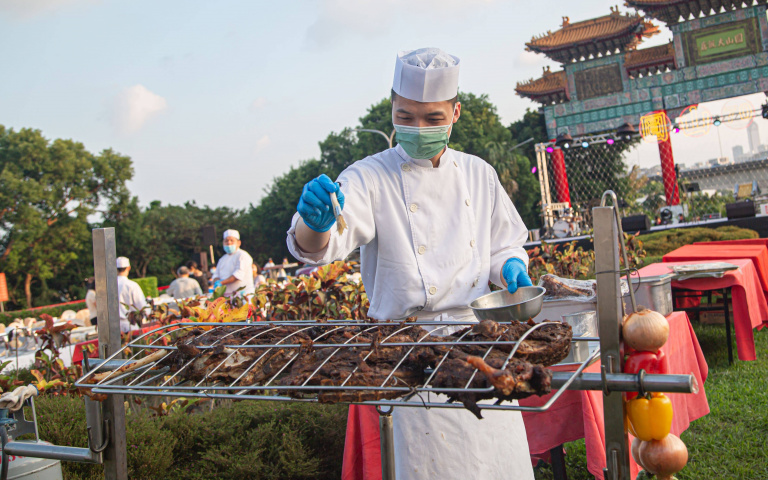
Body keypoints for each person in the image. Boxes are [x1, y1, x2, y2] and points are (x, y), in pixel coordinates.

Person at [287, 48, 534, 480]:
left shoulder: (479, 174)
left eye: (433, 119)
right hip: (407, 354)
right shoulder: (368, 176)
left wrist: (511, 266)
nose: (418, 128)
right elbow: (317, 247)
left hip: (479, 344)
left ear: (455, 112)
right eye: (407, 116)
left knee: (499, 465)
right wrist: (314, 222)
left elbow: (504, 244)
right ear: (392, 109)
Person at [212, 230, 255, 297]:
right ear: (223, 243)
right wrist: (216, 282)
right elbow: (216, 275)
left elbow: (238, 275)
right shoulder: (222, 259)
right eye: (226, 241)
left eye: (232, 240)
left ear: (239, 243)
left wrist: (221, 282)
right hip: (227, 297)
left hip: (243, 295)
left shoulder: (243, 255)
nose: (229, 243)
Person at [116, 256, 147, 334]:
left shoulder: (108, 285)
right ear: (129, 268)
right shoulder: (132, 285)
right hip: (130, 325)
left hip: (113, 327)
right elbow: (142, 307)